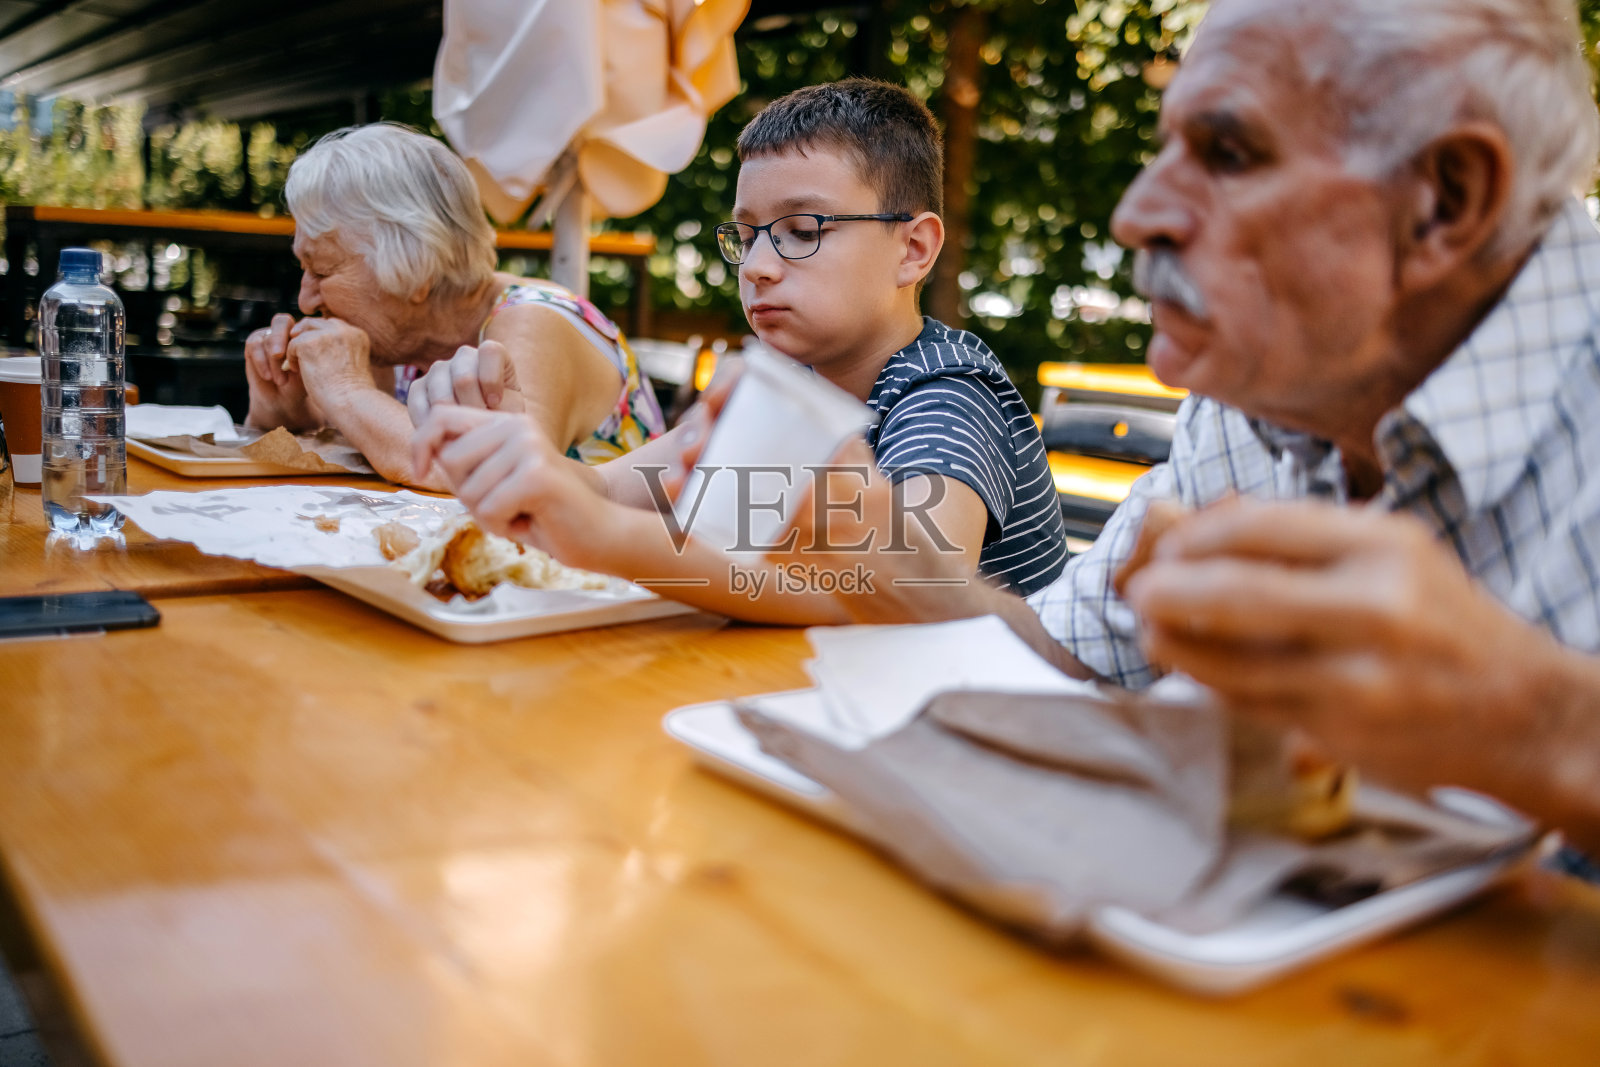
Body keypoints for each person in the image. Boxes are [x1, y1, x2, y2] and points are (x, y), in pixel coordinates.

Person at [768, 0, 1600, 856]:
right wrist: (902, 571)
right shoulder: (1270, 375)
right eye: (1168, 147)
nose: (1138, 213)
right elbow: (1076, 658)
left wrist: (1535, 724)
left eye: (1229, 153)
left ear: (1445, 201)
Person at [410, 79, 1069, 624]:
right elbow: (612, 485)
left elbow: (913, 587)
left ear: (914, 249)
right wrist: (517, 445)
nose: (756, 266)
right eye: (747, 235)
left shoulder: (946, 392)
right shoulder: (786, 382)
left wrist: (612, 541)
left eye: (801, 231)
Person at [243, 123, 664, 487]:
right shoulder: (392, 338)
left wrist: (347, 391)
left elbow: (500, 480)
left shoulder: (536, 321)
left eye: (322, 272)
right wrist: (287, 411)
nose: (305, 299)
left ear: (416, 270)